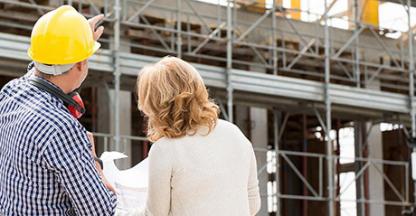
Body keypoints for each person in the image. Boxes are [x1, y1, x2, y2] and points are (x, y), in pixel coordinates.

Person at [0, 6, 116, 215]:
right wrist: (95, 164)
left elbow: (39, 69)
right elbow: (100, 211)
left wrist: (74, 37)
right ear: (81, 64)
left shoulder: (10, 93)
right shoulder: (61, 128)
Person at [119, 57, 261, 216]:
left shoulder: (165, 149)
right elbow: (253, 204)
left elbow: (155, 214)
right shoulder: (235, 134)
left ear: (154, 105)